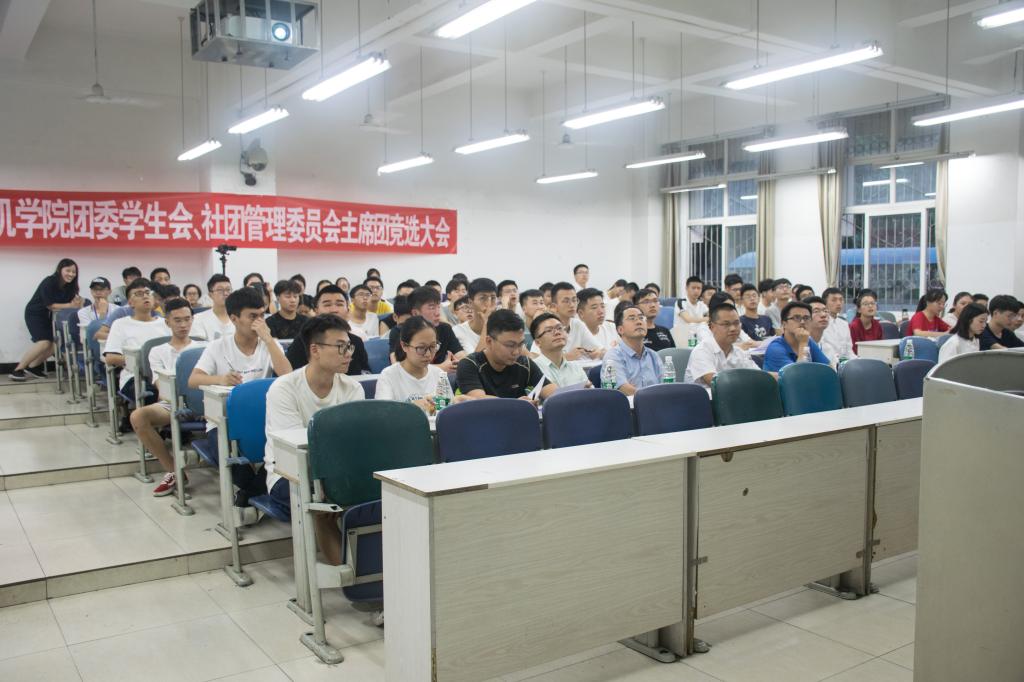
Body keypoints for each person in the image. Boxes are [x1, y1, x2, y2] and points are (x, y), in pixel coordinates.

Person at [265, 314, 364, 565]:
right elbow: (295, 449)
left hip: (337, 471)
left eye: (349, 346)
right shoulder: (284, 389)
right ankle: (347, 573)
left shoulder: (352, 388)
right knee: (321, 502)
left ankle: (372, 564)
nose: (348, 354)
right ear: (315, 350)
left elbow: (353, 443)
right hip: (289, 475)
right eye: (340, 347)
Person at [190, 287, 292, 506]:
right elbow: (194, 380)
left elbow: (287, 375)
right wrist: (220, 379)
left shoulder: (268, 344)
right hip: (224, 420)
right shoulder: (218, 347)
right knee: (227, 456)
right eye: (252, 316)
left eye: (262, 315)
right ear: (234, 318)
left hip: (263, 417)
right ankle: (253, 493)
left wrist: (269, 341)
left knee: (287, 453)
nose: (259, 322)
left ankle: (250, 495)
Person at [129, 298, 204, 496]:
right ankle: (174, 470)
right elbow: (161, 387)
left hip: (205, 401)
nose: (183, 325)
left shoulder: (205, 347)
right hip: (172, 402)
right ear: (167, 322)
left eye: (187, 319)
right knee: (138, 417)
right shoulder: (157, 351)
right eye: (177, 320)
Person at [10, 258, 83, 381]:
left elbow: (72, 304)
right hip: (34, 314)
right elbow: (50, 305)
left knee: (56, 343)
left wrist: (78, 303)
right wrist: (71, 305)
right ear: (60, 270)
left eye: (73, 272)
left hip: (49, 316)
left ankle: (33, 367)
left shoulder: (71, 287)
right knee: (44, 342)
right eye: (68, 270)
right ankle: (18, 369)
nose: (71, 274)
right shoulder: (49, 282)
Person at [456, 309, 552, 401]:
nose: (516, 352)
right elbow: (478, 400)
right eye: (510, 345)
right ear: (489, 341)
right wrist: (517, 404)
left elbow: (552, 393)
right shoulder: (470, 364)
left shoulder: (524, 364)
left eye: (520, 344)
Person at [377, 316, 461, 413]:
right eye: (421, 348)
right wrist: (412, 407)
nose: (428, 354)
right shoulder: (388, 376)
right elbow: (383, 413)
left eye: (433, 346)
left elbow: (447, 411)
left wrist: (455, 403)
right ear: (404, 346)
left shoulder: (438, 374)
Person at [103, 278, 168, 399]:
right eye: (139, 294)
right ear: (130, 302)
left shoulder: (165, 323)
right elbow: (110, 358)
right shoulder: (120, 324)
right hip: (135, 376)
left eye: (148, 293)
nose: (145, 296)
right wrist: (144, 362)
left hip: (165, 374)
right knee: (153, 395)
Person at [285, 286, 369, 375]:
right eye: (327, 305)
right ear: (316, 311)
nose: (334, 310)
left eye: (339, 304)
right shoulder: (303, 341)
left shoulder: (356, 342)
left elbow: (365, 373)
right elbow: (291, 374)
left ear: (348, 309)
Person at [684, 302, 758, 394]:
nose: (733, 328)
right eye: (726, 324)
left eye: (736, 323)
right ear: (712, 327)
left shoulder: (740, 353)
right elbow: (717, 384)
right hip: (702, 402)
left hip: (732, 399)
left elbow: (760, 376)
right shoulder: (702, 351)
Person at [387, 286, 465, 371]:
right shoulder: (399, 331)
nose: (438, 313)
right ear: (415, 313)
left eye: (439, 307)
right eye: (432, 308)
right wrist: (441, 367)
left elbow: (460, 355)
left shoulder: (445, 329)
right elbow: (398, 366)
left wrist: (459, 362)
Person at [602, 303, 664, 395]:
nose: (639, 322)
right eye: (632, 318)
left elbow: (665, 386)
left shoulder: (653, 355)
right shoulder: (613, 356)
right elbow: (624, 389)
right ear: (620, 330)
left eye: (641, 318)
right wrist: (653, 397)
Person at [536, 282, 601, 359]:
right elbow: (535, 357)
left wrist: (598, 352)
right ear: (554, 306)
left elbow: (600, 349)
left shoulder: (577, 324)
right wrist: (566, 357)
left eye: (574, 300)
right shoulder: (545, 326)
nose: (572, 305)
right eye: (566, 301)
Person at [762, 301, 830, 374]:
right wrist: (803, 343)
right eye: (797, 318)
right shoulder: (775, 349)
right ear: (784, 324)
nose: (802, 322)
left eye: (806, 318)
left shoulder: (809, 341)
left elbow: (829, 370)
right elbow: (798, 377)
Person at [530, 313, 591, 390]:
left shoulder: (575, 366)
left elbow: (591, 391)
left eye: (559, 328)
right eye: (549, 330)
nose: (557, 332)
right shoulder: (534, 369)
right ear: (538, 342)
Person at [454, 278, 498, 353]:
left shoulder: (502, 327)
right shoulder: (459, 331)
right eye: (483, 298)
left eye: (493, 298)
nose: (489, 304)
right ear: (470, 302)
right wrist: (486, 323)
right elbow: (476, 359)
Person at [820, 288, 857, 364]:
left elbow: (849, 350)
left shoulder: (844, 324)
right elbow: (826, 352)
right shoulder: (821, 323)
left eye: (841, 300)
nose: (839, 303)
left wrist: (857, 361)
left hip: (845, 364)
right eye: (834, 300)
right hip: (829, 364)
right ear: (824, 303)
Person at [193, 274, 235, 341]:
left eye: (228, 289)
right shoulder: (198, 319)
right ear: (210, 295)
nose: (225, 293)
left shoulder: (239, 318)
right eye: (220, 290)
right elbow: (199, 346)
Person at [848, 289, 883, 354]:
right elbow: (852, 351)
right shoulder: (853, 326)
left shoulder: (877, 325)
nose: (870, 306)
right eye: (866, 304)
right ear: (859, 309)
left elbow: (881, 347)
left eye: (872, 303)